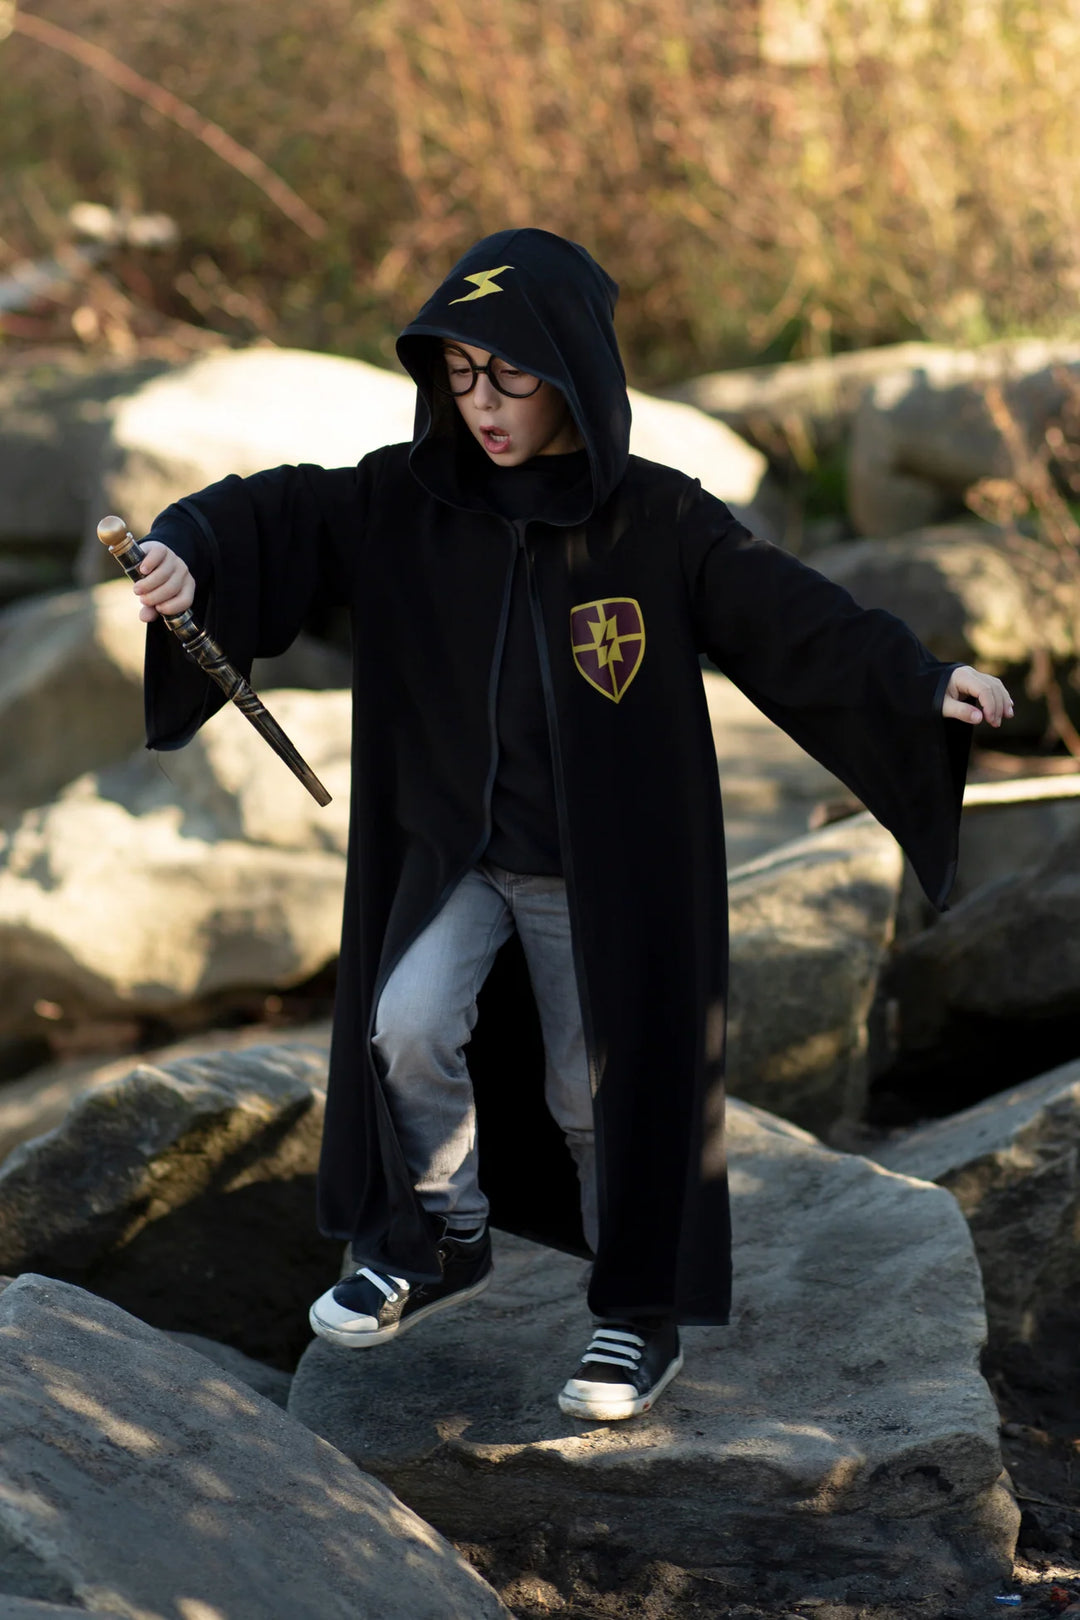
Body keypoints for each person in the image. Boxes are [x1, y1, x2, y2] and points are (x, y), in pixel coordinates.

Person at [132, 228, 1012, 1422]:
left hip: (597, 874)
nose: (482, 405)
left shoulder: (656, 521)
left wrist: (919, 683)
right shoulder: (404, 500)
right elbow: (268, 517)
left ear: (574, 373)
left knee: (593, 1091)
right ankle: (438, 1234)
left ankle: (637, 1312)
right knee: (404, 1023)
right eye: (459, 375)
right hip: (453, 853)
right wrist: (182, 555)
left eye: (511, 376)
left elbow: (789, 616)